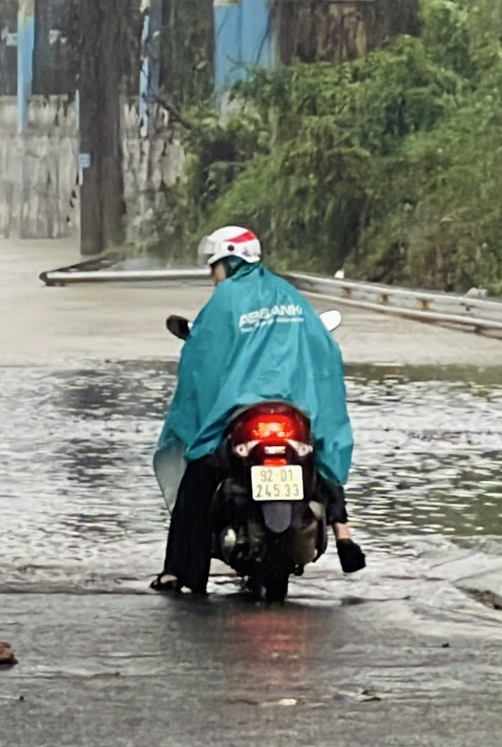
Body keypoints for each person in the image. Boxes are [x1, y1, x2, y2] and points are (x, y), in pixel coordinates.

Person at [150, 225, 366, 596]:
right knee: (322, 453)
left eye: (214, 265)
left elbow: (203, 357)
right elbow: (321, 345)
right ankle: (342, 532)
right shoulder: (288, 294)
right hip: (294, 410)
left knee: (197, 479)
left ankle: (182, 572)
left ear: (229, 263)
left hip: (241, 415)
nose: (211, 273)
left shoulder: (226, 299)